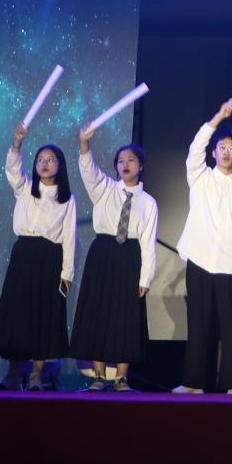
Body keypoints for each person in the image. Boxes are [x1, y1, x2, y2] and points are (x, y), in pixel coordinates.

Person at [177, 98, 232, 395]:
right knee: (198, 324)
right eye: (222, 147)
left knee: (230, 327)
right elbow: (194, 150)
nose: (226, 152)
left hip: (231, 265)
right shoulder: (200, 178)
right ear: (214, 152)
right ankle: (193, 382)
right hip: (200, 260)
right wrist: (217, 118)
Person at [69, 134, 158, 391]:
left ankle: (121, 378)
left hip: (130, 256)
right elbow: (88, 168)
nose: (125, 165)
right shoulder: (105, 188)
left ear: (141, 165)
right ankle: (98, 376)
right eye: (120, 161)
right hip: (103, 253)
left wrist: (146, 278)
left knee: (126, 316)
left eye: (131, 160)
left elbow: (149, 243)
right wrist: (84, 144)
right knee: (98, 312)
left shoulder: (148, 203)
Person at [0, 125, 76, 391]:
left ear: (59, 165)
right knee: (18, 313)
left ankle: (36, 375)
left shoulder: (67, 199)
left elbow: (69, 237)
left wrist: (67, 273)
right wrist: (17, 144)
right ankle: (13, 373)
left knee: (44, 314)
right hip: (24, 255)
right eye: (40, 159)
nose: (44, 163)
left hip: (50, 258)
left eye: (50, 160)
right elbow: (12, 170)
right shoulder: (26, 188)